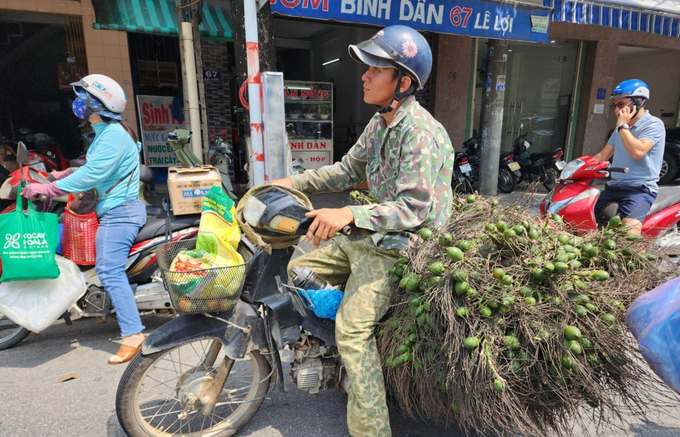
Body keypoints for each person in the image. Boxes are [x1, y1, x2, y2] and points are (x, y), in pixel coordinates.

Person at [271, 25, 454, 437]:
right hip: (370, 235)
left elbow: (414, 207)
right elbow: (347, 170)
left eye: (375, 69)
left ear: (403, 82)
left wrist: (349, 214)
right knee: (297, 267)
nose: (365, 76)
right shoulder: (381, 122)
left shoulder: (420, 133)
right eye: (367, 67)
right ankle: (344, 350)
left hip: (403, 247)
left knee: (352, 333)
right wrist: (291, 183)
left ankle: (372, 428)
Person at [22, 74, 147, 365]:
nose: (77, 103)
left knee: (108, 270)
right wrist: (60, 174)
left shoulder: (114, 135)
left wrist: (49, 188)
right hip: (115, 210)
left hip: (120, 214)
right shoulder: (106, 132)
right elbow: (90, 164)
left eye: (83, 99)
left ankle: (133, 334)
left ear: (98, 104)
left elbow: (93, 174)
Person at [592, 79, 665, 235]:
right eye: (615, 106)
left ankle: (636, 258)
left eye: (621, 104)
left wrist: (623, 126)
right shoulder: (620, 128)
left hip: (639, 189)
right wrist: (577, 166)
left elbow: (637, 152)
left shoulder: (653, 125)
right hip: (613, 186)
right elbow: (602, 155)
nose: (617, 110)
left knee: (629, 235)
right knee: (584, 218)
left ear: (638, 102)